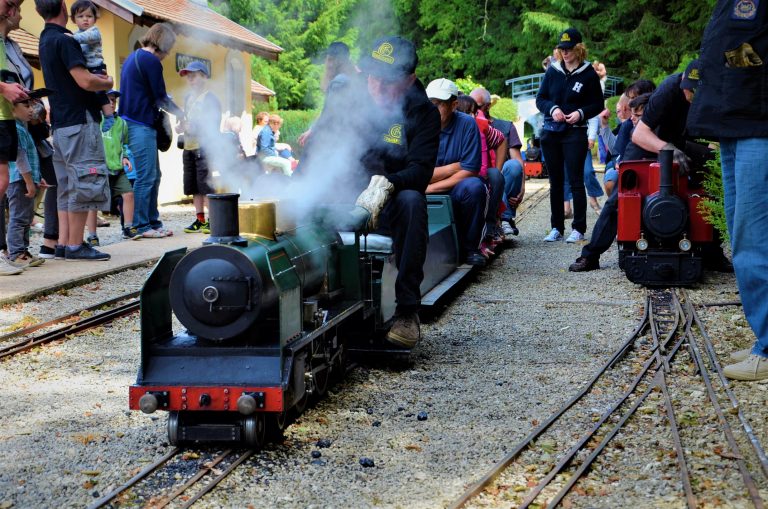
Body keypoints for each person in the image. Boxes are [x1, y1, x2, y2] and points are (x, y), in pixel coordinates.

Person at [686, 0, 768, 381]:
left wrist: (743, 61)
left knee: (755, 240)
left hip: (758, 126)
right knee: (741, 236)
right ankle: (762, 338)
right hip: (733, 125)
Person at [354, 35, 440, 349]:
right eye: (373, 78)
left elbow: (421, 171)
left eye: (387, 81)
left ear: (409, 80)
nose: (377, 88)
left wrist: (387, 184)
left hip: (392, 202)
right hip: (349, 193)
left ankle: (407, 310)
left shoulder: (424, 113)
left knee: (413, 201)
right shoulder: (353, 104)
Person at [36, 0, 115, 261]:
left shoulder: (45, 39)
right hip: (80, 121)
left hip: (60, 124)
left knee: (67, 186)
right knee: (85, 181)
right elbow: (85, 80)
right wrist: (108, 82)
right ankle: (75, 245)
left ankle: (63, 243)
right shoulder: (66, 40)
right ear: (63, 7)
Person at [535, 28, 604, 243]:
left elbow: (597, 104)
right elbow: (541, 99)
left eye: (569, 49)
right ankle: (556, 227)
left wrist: (580, 113)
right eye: (561, 49)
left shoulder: (588, 73)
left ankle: (579, 228)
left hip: (575, 132)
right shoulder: (553, 71)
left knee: (576, 180)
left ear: (579, 49)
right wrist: (553, 108)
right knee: (555, 182)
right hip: (552, 133)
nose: (564, 52)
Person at [119, 22, 182, 238]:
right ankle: (142, 225)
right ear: (163, 44)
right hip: (140, 125)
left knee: (154, 175)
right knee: (146, 176)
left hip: (132, 123)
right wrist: (182, 113)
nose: (168, 54)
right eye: (169, 49)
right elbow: (161, 97)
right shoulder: (151, 61)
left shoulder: (134, 57)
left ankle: (153, 222)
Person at [425, 78, 487, 266]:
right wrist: (454, 167)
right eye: (430, 104)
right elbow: (417, 171)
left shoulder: (467, 124)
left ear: (453, 105)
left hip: (451, 187)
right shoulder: (418, 123)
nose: (432, 109)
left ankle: (471, 248)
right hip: (420, 185)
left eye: (438, 104)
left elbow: (470, 171)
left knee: (474, 187)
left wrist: (429, 188)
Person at [177, 60, 221, 234]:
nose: (190, 80)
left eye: (193, 76)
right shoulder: (188, 98)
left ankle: (214, 220)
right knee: (193, 186)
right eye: (188, 76)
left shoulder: (211, 99)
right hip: (189, 147)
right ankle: (200, 219)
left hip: (204, 147)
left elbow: (214, 125)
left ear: (204, 76)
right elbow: (186, 120)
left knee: (206, 186)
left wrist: (194, 128)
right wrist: (181, 126)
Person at [5, 98, 44, 268]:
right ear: (12, 109)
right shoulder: (15, 129)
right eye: (26, 106)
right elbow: (20, 157)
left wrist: (37, 178)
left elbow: (30, 157)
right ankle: (16, 253)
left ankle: (23, 250)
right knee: (19, 217)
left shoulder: (22, 128)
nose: (31, 110)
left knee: (27, 217)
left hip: (26, 179)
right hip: (19, 180)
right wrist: (29, 181)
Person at [100, 89, 139, 240]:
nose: (112, 103)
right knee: (94, 203)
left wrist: (125, 157)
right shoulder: (96, 120)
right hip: (101, 168)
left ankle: (128, 227)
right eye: (108, 100)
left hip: (118, 167)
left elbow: (124, 144)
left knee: (128, 194)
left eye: (114, 100)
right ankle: (92, 235)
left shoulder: (122, 123)